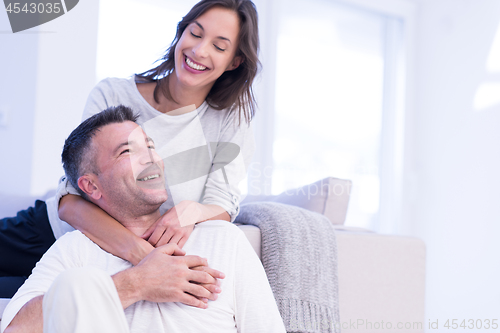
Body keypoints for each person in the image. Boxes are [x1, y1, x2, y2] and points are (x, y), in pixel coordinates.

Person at [0, 0, 260, 297]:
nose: (200, 51)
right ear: (181, 32)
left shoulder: (232, 119)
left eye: (220, 46)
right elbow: (71, 199)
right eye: (196, 33)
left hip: (95, 264)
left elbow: (223, 204)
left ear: (235, 61)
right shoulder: (113, 93)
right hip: (46, 233)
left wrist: (191, 210)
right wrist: (144, 259)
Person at [1, 106, 285, 333]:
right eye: (127, 151)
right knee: (77, 284)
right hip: (36, 235)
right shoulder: (74, 250)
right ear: (91, 186)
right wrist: (136, 283)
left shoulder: (224, 240)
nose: (150, 158)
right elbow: (16, 329)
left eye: (149, 146)